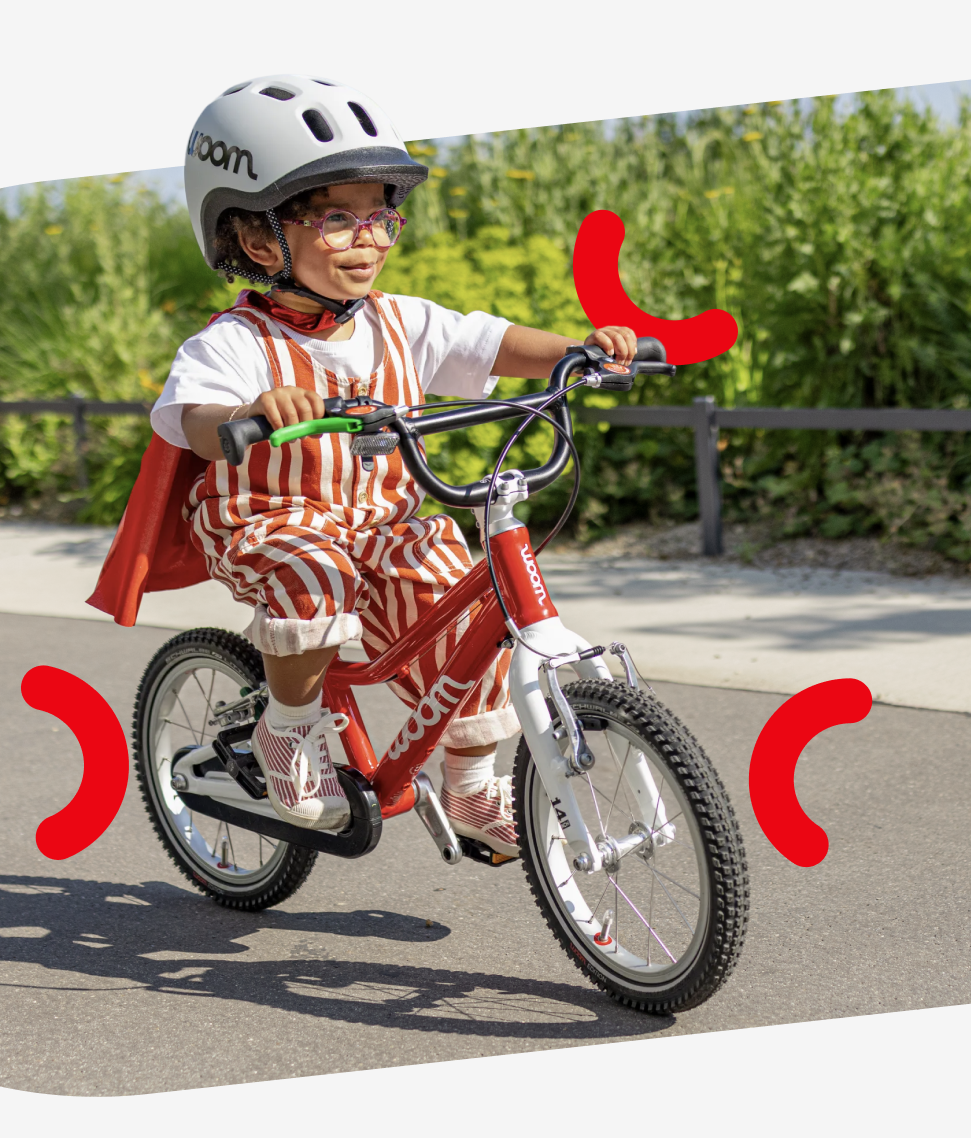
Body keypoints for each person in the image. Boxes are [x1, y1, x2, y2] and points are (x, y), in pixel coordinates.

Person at [118, 76, 634, 861]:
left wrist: (579, 352)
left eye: (380, 217)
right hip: (269, 519)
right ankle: (287, 736)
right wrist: (246, 413)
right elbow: (189, 418)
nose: (368, 239)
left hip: (381, 516)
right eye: (335, 219)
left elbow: (488, 343)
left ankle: (470, 781)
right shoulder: (233, 344)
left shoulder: (400, 320)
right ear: (259, 241)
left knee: (462, 587)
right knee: (311, 571)